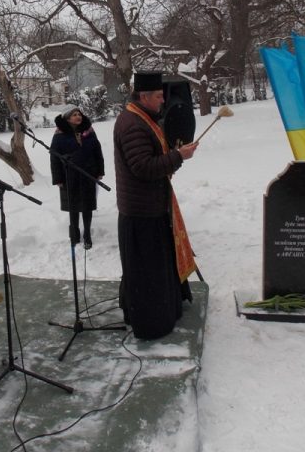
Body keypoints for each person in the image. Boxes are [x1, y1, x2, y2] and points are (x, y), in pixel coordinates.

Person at [114, 72, 199, 339]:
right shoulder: (132, 124)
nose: (163, 101)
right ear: (144, 96)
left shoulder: (142, 118)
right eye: (159, 97)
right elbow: (142, 167)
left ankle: (166, 309)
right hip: (141, 213)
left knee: (156, 268)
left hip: (151, 206)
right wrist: (177, 156)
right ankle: (152, 323)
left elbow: (150, 161)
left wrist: (172, 157)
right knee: (147, 274)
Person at [50, 105, 105, 249]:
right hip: (69, 176)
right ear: (67, 118)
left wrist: (100, 171)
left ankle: (87, 234)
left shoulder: (90, 132)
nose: (78, 116)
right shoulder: (59, 135)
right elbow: (54, 158)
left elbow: (97, 152)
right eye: (74, 114)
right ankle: (74, 235)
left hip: (88, 174)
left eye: (79, 114)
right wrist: (58, 179)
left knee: (87, 206)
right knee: (73, 207)